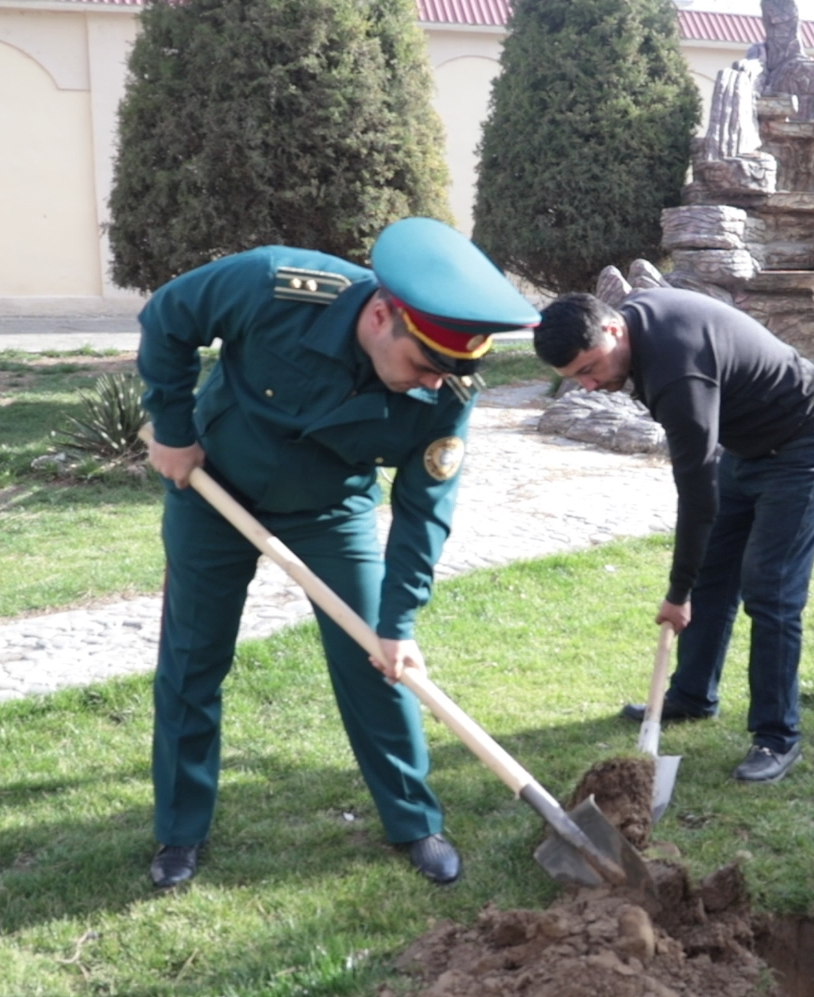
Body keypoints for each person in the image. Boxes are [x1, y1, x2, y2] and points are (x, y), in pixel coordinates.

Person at [137, 217, 538, 889]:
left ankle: (416, 822)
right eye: (423, 366)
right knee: (192, 660)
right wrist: (173, 430)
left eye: (449, 373)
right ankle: (179, 831)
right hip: (213, 491)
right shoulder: (274, 287)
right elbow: (169, 316)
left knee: (378, 660)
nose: (434, 386)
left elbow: (424, 509)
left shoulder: (448, 390)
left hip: (331, 510)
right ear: (382, 314)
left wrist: (399, 622)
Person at [534, 289, 814, 784]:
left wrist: (676, 594)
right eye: (575, 380)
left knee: (771, 589)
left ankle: (776, 737)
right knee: (714, 572)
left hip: (805, 443)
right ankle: (693, 696)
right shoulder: (635, 337)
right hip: (746, 446)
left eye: (590, 369)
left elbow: (696, 493)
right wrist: (690, 584)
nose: (587, 385)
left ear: (612, 330)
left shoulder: (677, 367)